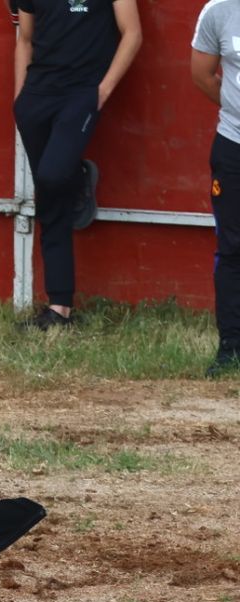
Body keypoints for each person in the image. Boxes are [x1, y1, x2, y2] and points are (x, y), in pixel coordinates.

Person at [12, 0, 142, 330]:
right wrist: (20, 99)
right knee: (49, 198)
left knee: (54, 176)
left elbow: (132, 34)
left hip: (81, 94)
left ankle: (74, 173)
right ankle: (59, 308)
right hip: (37, 96)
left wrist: (101, 91)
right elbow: (25, 38)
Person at [193, 3, 240, 376]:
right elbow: (203, 74)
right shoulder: (219, 10)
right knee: (233, 246)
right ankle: (231, 348)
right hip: (233, 146)